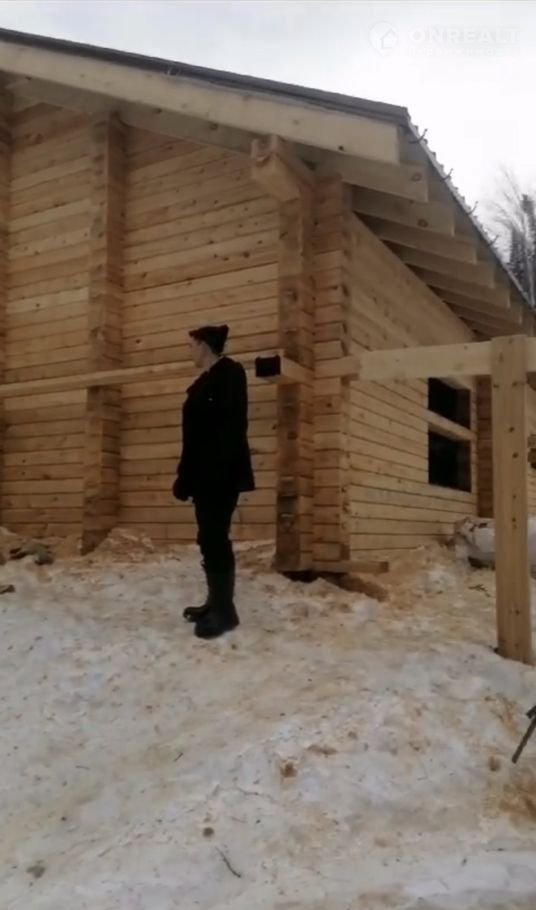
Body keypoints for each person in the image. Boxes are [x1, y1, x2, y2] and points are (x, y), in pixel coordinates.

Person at [172, 324, 255, 639]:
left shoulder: (230, 375)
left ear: (205, 345)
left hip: (221, 475)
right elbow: (192, 439)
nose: (190, 352)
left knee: (215, 537)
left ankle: (225, 612)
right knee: (208, 538)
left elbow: (231, 430)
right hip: (204, 476)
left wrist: (212, 473)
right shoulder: (202, 383)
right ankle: (216, 602)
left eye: (192, 345)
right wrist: (185, 477)